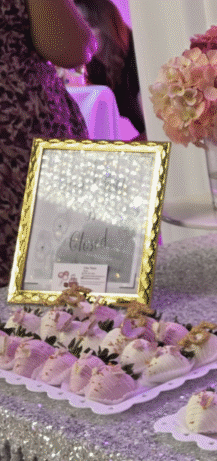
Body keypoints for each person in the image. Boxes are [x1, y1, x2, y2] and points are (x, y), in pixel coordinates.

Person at [0, 0, 94, 286]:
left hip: (25, 144)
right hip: (23, 138)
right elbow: (72, 49)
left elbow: (72, 49)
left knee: (53, 282)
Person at [75, 0, 146, 138]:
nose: (77, 35)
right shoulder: (95, 65)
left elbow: (155, 128)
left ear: (105, 26)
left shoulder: (138, 56)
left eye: (85, 25)